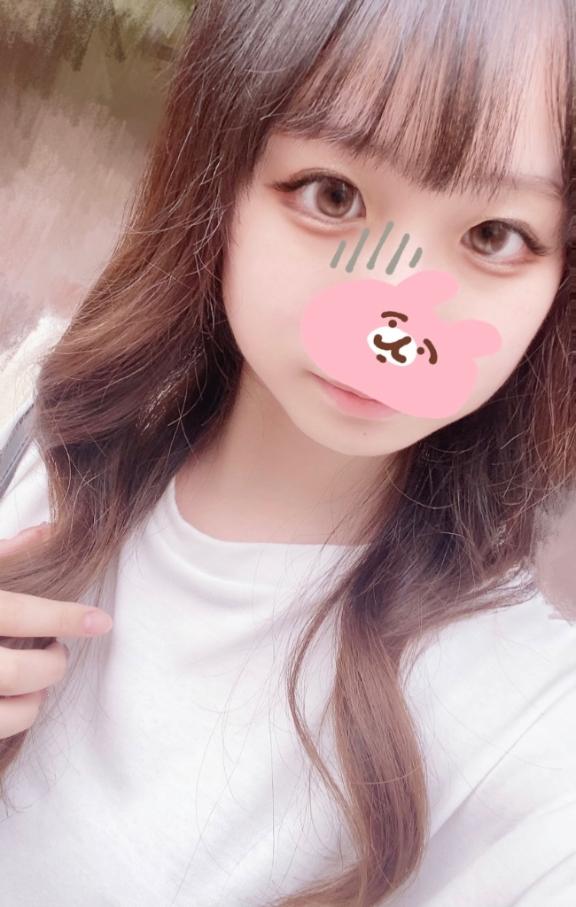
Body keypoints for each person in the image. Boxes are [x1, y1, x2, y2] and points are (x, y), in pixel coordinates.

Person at [0, 1, 575, 904]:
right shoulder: (41, 419)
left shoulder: (525, 723)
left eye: (493, 236)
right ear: (219, 176)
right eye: (331, 194)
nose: (392, 316)